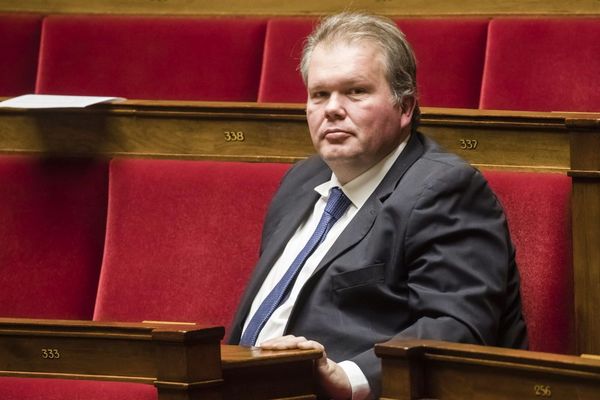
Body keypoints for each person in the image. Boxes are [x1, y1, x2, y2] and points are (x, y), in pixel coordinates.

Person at [229, 12, 527, 399]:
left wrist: (347, 377)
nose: (332, 109)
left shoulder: (444, 189)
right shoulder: (301, 181)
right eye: (319, 94)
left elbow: (457, 328)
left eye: (355, 91)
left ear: (405, 108)